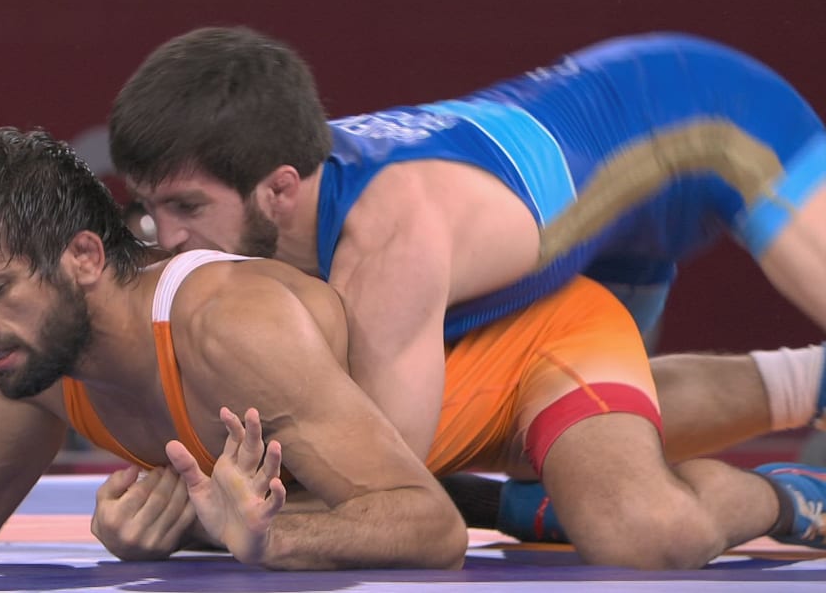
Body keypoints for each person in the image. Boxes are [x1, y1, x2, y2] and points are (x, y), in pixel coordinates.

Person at [0, 127, 821, 570]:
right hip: (418, 431)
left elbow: (422, 528)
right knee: (535, 475)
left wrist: (261, 537)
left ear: (85, 261)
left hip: (525, 351)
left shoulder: (221, 324)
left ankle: (788, 489)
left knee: (639, 531)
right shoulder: (53, 369)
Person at [108, 26, 826, 537]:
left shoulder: (388, 244)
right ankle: (809, 399)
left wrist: (203, 520)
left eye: (187, 209)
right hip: (606, 192)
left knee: (573, 494)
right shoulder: (276, 172)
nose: (166, 240)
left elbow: (393, 489)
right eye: (151, 207)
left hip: (713, 119)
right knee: (599, 438)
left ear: (279, 191)